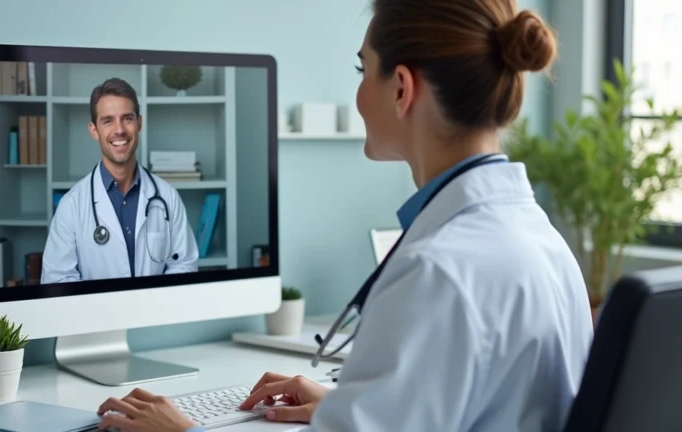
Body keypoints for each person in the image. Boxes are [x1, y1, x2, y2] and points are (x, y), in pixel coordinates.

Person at [94, 0, 594, 430]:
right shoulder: (542, 241)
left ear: (401, 88)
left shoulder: (435, 270)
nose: (358, 94)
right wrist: (349, 407)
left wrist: (186, 429)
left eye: (362, 70)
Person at [41, 78, 198, 283]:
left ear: (139, 123)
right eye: (108, 120)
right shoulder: (71, 205)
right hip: (96, 315)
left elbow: (184, 266)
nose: (119, 130)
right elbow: (57, 282)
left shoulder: (168, 197)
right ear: (94, 130)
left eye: (127, 118)